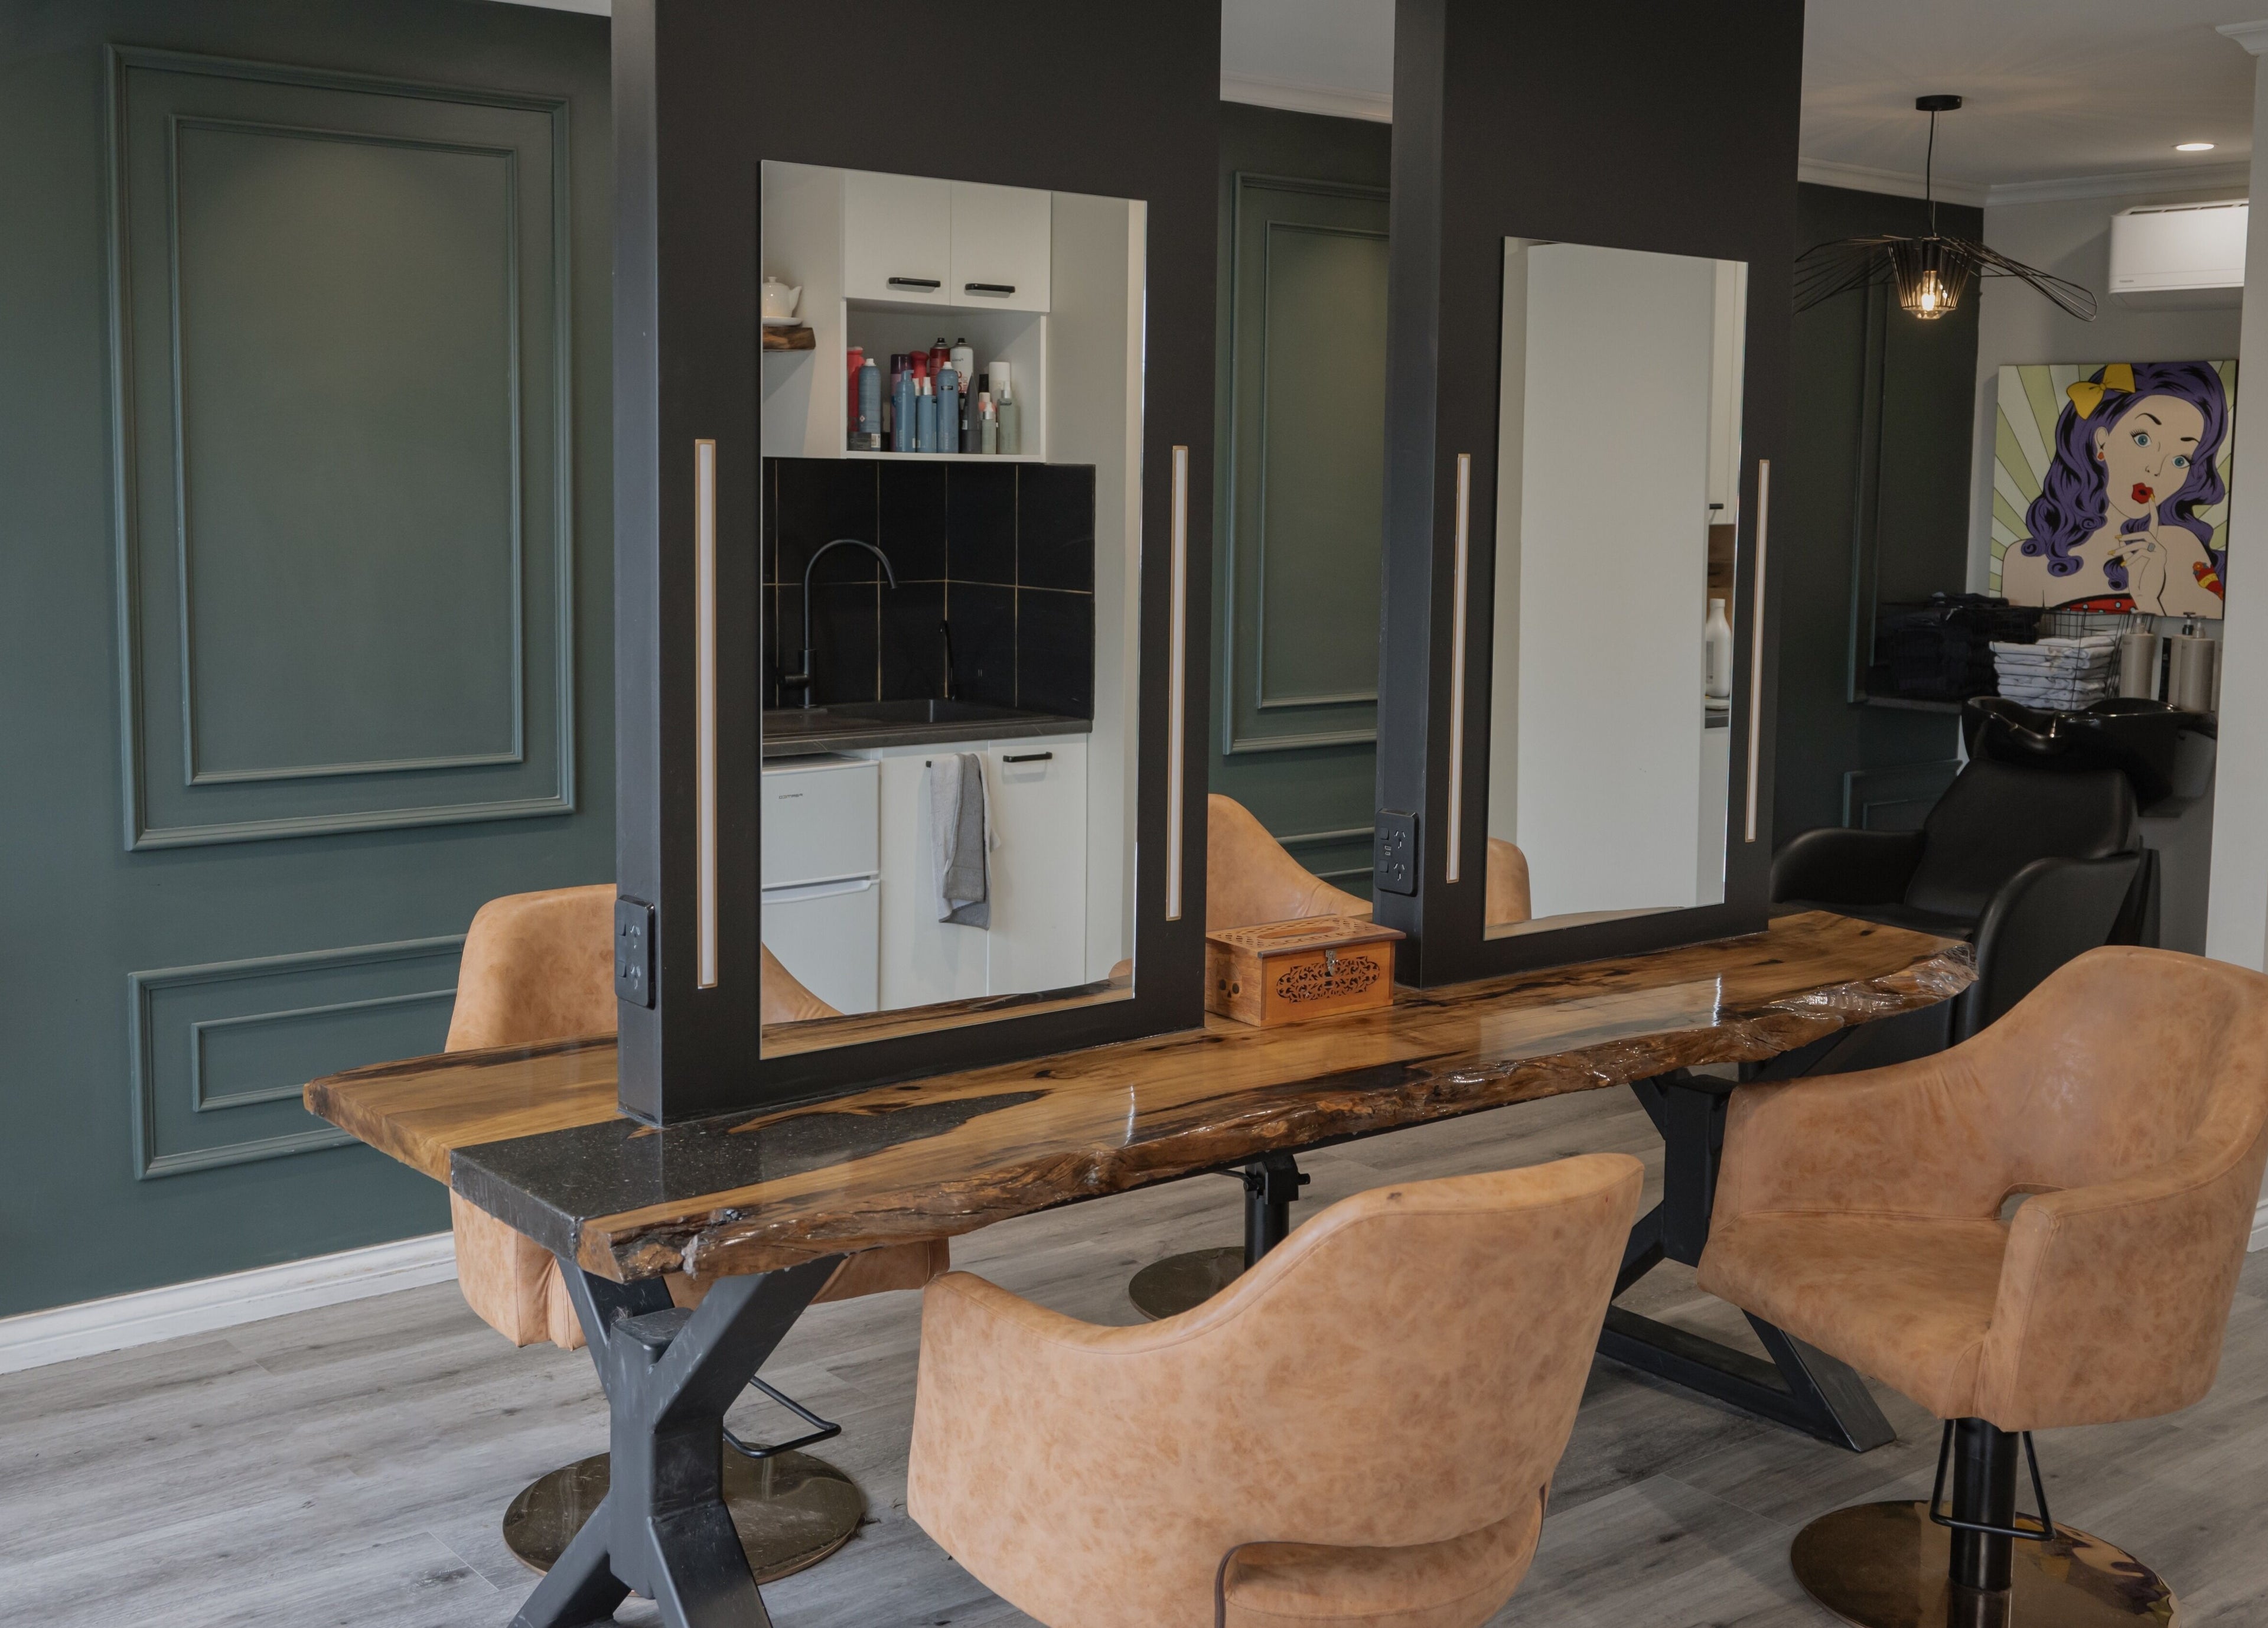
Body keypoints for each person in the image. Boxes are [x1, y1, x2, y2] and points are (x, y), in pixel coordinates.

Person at [2000, 361, 2230, 618]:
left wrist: (2148, 599)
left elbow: (2197, 649)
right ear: (2101, 440)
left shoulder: (2181, 547)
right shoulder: (2025, 560)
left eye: (2180, 460)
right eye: (2143, 440)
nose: (2156, 470)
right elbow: (2016, 651)